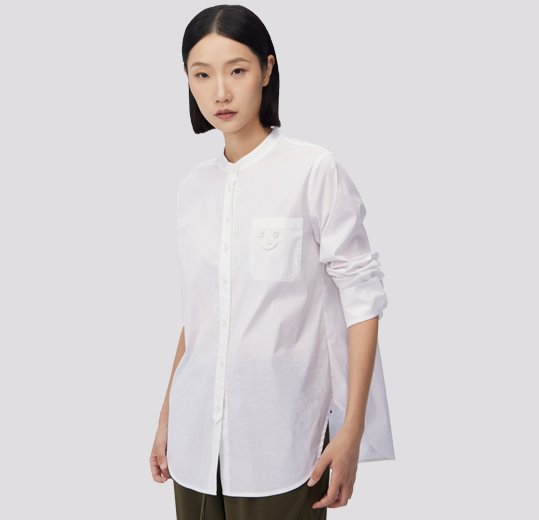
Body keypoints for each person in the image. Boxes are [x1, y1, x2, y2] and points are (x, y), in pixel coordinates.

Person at [150, 5, 395, 519]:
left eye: (237, 70)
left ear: (266, 69)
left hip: (284, 446)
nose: (220, 92)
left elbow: (362, 299)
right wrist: (167, 416)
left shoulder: (314, 171)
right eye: (202, 74)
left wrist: (351, 431)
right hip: (195, 446)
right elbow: (201, 315)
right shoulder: (192, 189)